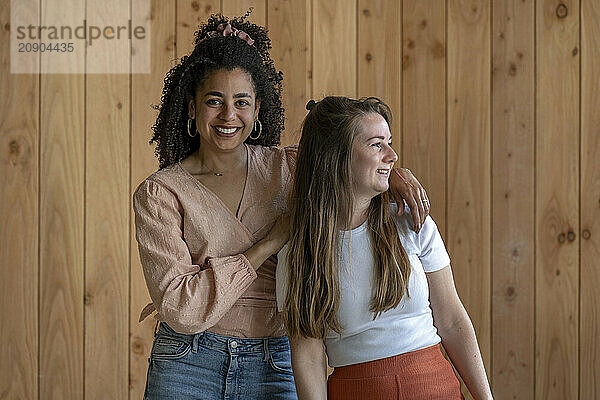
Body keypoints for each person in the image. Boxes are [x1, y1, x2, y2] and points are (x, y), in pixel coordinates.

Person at [133, 13, 432, 400]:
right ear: (191, 109)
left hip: (278, 359)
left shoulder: (289, 166)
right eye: (213, 101)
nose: (228, 115)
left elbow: (353, 160)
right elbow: (181, 308)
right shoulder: (160, 194)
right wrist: (269, 243)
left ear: (257, 111)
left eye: (242, 102)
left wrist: (396, 176)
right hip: (186, 364)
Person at [277, 96, 493, 400]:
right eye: (377, 144)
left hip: (435, 387)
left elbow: (453, 320)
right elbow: (308, 356)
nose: (392, 155)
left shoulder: (412, 223)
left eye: (389, 142)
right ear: (335, 156)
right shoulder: (298, 253)